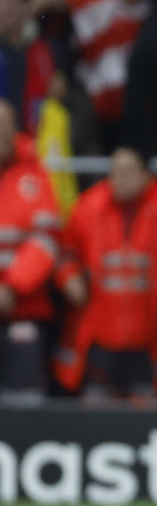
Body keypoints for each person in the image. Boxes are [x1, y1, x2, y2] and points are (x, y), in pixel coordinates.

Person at [54, 146, 157, 398]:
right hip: (99, 338)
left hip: (150, 342)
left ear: (147, 175)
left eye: (128, 170)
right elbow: (63, 253)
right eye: (114, 171)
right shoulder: (89, 206)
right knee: (96, 419)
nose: (120, 178)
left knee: (144, 423)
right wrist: (69, 278)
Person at [0, 98, 61, 395]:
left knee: (23, 406)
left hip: (23, 309)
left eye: (4, 126)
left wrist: (11, 287)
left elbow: (46, 239)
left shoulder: (35, 173)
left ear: (15, 129)